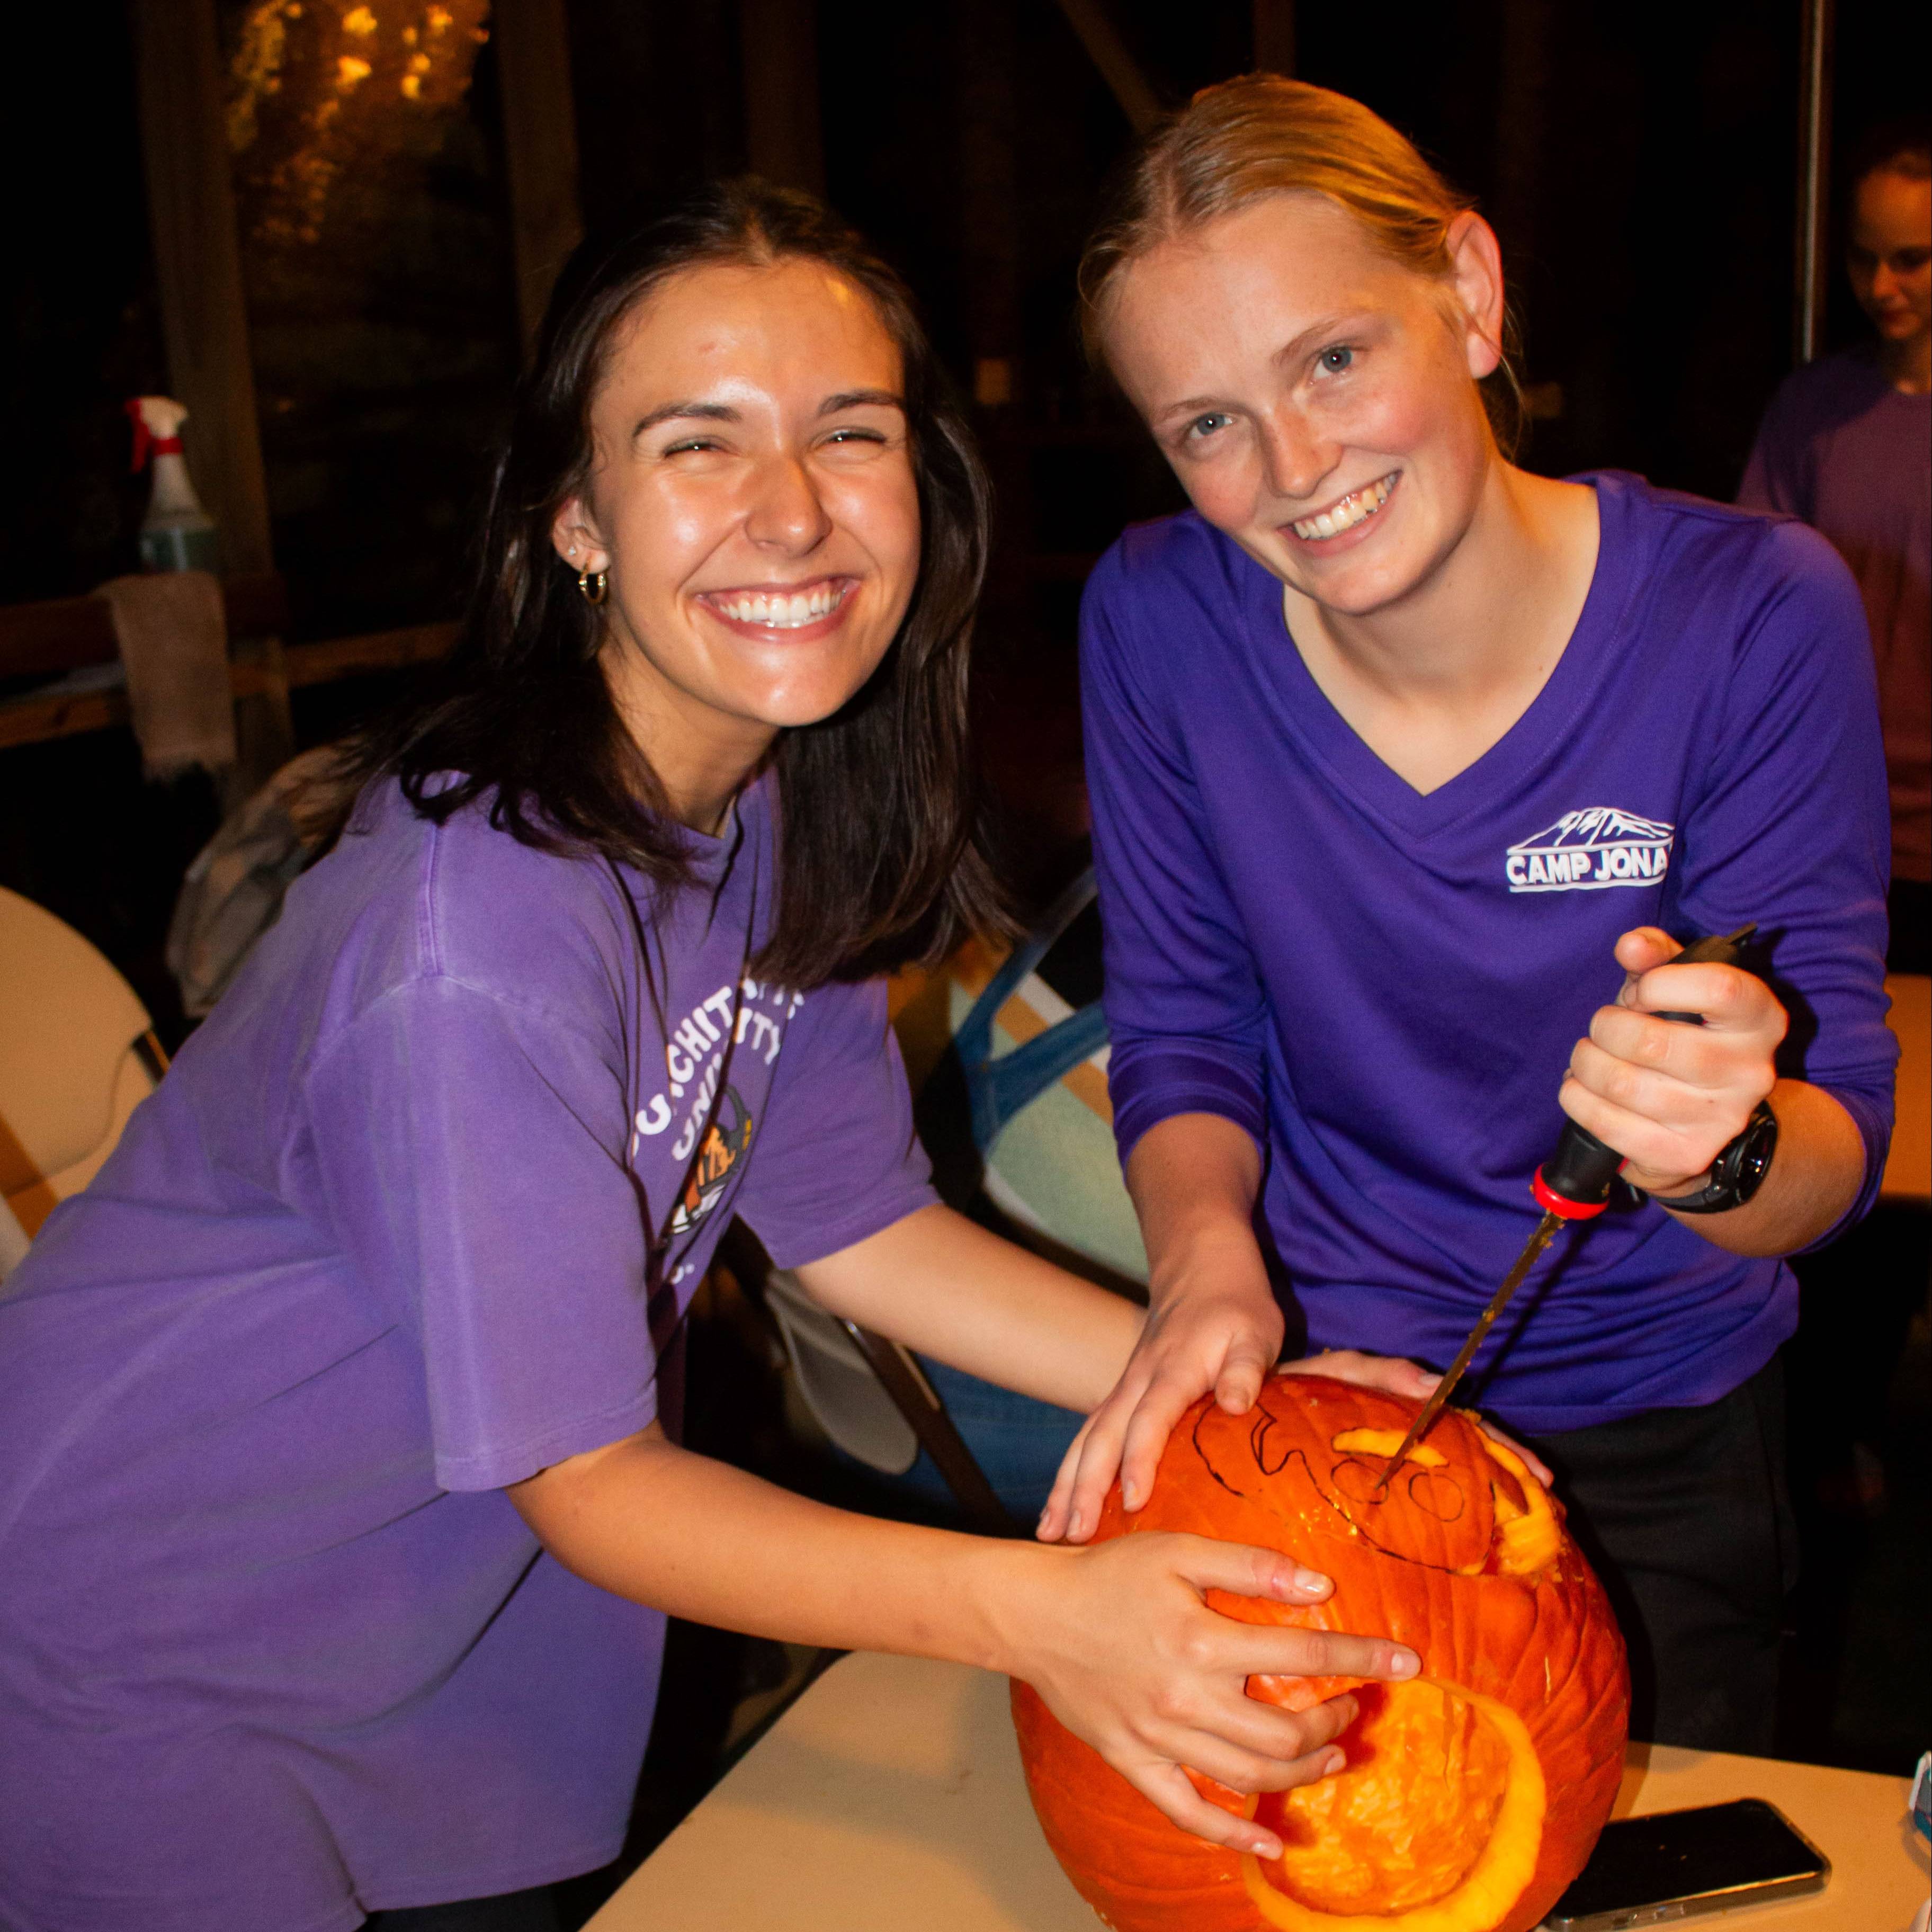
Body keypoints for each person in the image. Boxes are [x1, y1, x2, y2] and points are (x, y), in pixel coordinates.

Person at [0, 182, 1424, 1932]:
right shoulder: (476, 946)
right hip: (147, 1627)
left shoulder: (758, 802)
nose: (793, 511)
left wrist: (1250, 1390)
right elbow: (594, 1473)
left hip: (429, 1600)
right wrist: (1048, 1609)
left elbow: (845, 1219)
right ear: (574, 519)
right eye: (698, 444)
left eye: (849, 432)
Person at [1038, 77, 1898, 1755]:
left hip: (1662, 1429)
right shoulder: (1156, 620)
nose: (1293, 469)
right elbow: (1185, 1029)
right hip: (1320, 1423)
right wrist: (1205, 1264)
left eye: (1333, 359)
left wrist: (1715, 1147)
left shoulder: (1749, 616)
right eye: (1206, 423)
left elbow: (1831, 1167)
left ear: (1474, 296)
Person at [1739, 120, 1931, 973]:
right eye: (1863, 258)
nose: (1882, 285)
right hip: (1840, 818)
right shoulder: (1814, 409)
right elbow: (1753, 611)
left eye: (1912, 259)